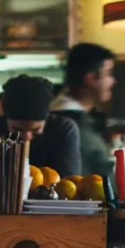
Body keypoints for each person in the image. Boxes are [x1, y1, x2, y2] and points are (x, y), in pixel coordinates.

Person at [0, 75, 80, 179]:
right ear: (5, 119)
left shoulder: (63, 130)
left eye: (36, 129)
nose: (27, 137)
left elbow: (67, 180)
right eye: (17, 129)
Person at [50, 43, 116, 181]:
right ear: (90, 78)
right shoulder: (76, 124)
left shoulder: (56, 116)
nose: (113, 81)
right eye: (109, 73)